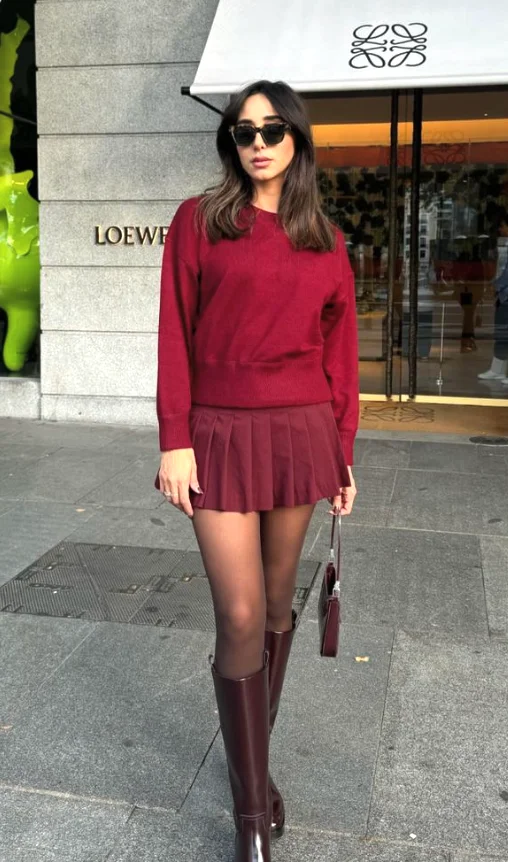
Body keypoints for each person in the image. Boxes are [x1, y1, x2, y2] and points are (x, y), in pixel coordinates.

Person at [154, 79, 359, 862]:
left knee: (277, 606)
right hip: (215, 434)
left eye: (274, 129)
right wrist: (175, 438)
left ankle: (251, 770)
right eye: (244, 131)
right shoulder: (199, 223)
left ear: (297, 140)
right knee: (239, 614)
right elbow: (175, 332)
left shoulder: (327, 240)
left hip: (301, 431)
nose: (259, 142)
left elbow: (340, 359)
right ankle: (250, 818)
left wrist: (343, 456)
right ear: (231, 144)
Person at [478, 213, 508, 382]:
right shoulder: (504, 246)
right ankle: (497, 370)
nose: (501, 229)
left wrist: (494, 286)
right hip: (504, 297)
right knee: (502, 334)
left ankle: (499, 370)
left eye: (503, 226)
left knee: (504, 333)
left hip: (505, 295)